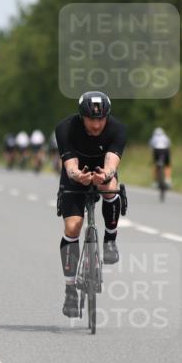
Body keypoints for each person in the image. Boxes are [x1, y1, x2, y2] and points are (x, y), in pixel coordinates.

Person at [55, 91, 126, 318]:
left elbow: (112, 162)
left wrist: (105, 174)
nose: (97, 125)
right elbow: (70, 165)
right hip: (76, 175)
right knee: (73, 228)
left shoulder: (117, 129)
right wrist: (78, 176)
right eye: (91, 119)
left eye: (101, 119)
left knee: (109, 186)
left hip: (101, 171)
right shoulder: (65, 128)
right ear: (81, 117)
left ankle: (110, 239)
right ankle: (70, 291)